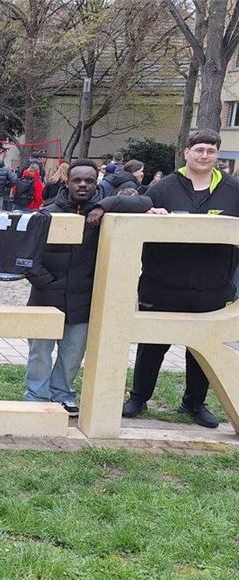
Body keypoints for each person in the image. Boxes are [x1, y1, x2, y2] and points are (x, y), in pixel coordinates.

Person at [123, 129, 239, 428]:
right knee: (152, 345)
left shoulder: (233, 189)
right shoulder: (163, 188)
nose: (204, 156)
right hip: (162, 283)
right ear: (186, 152)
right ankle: (139, 397)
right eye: (199, 149)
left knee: (203, 350)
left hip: (211, 286)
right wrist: (150, 215)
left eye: (211, 151)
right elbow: (135, 222)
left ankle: (194, 404)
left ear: (217, 155)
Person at [23, 160, 155, 416]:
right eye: (77, 180)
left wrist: (104, 205)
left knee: (72, 354)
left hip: (84, 299)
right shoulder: (47, 213)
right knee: (39, 351)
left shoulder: (107, 212)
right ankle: (36, 395)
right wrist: (47, 282)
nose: (83, 185)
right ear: (68, 182)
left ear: (97, 183)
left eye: (89, 181)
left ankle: (62, 393)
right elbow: (27, 257)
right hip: (45, 296)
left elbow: (144, 203)